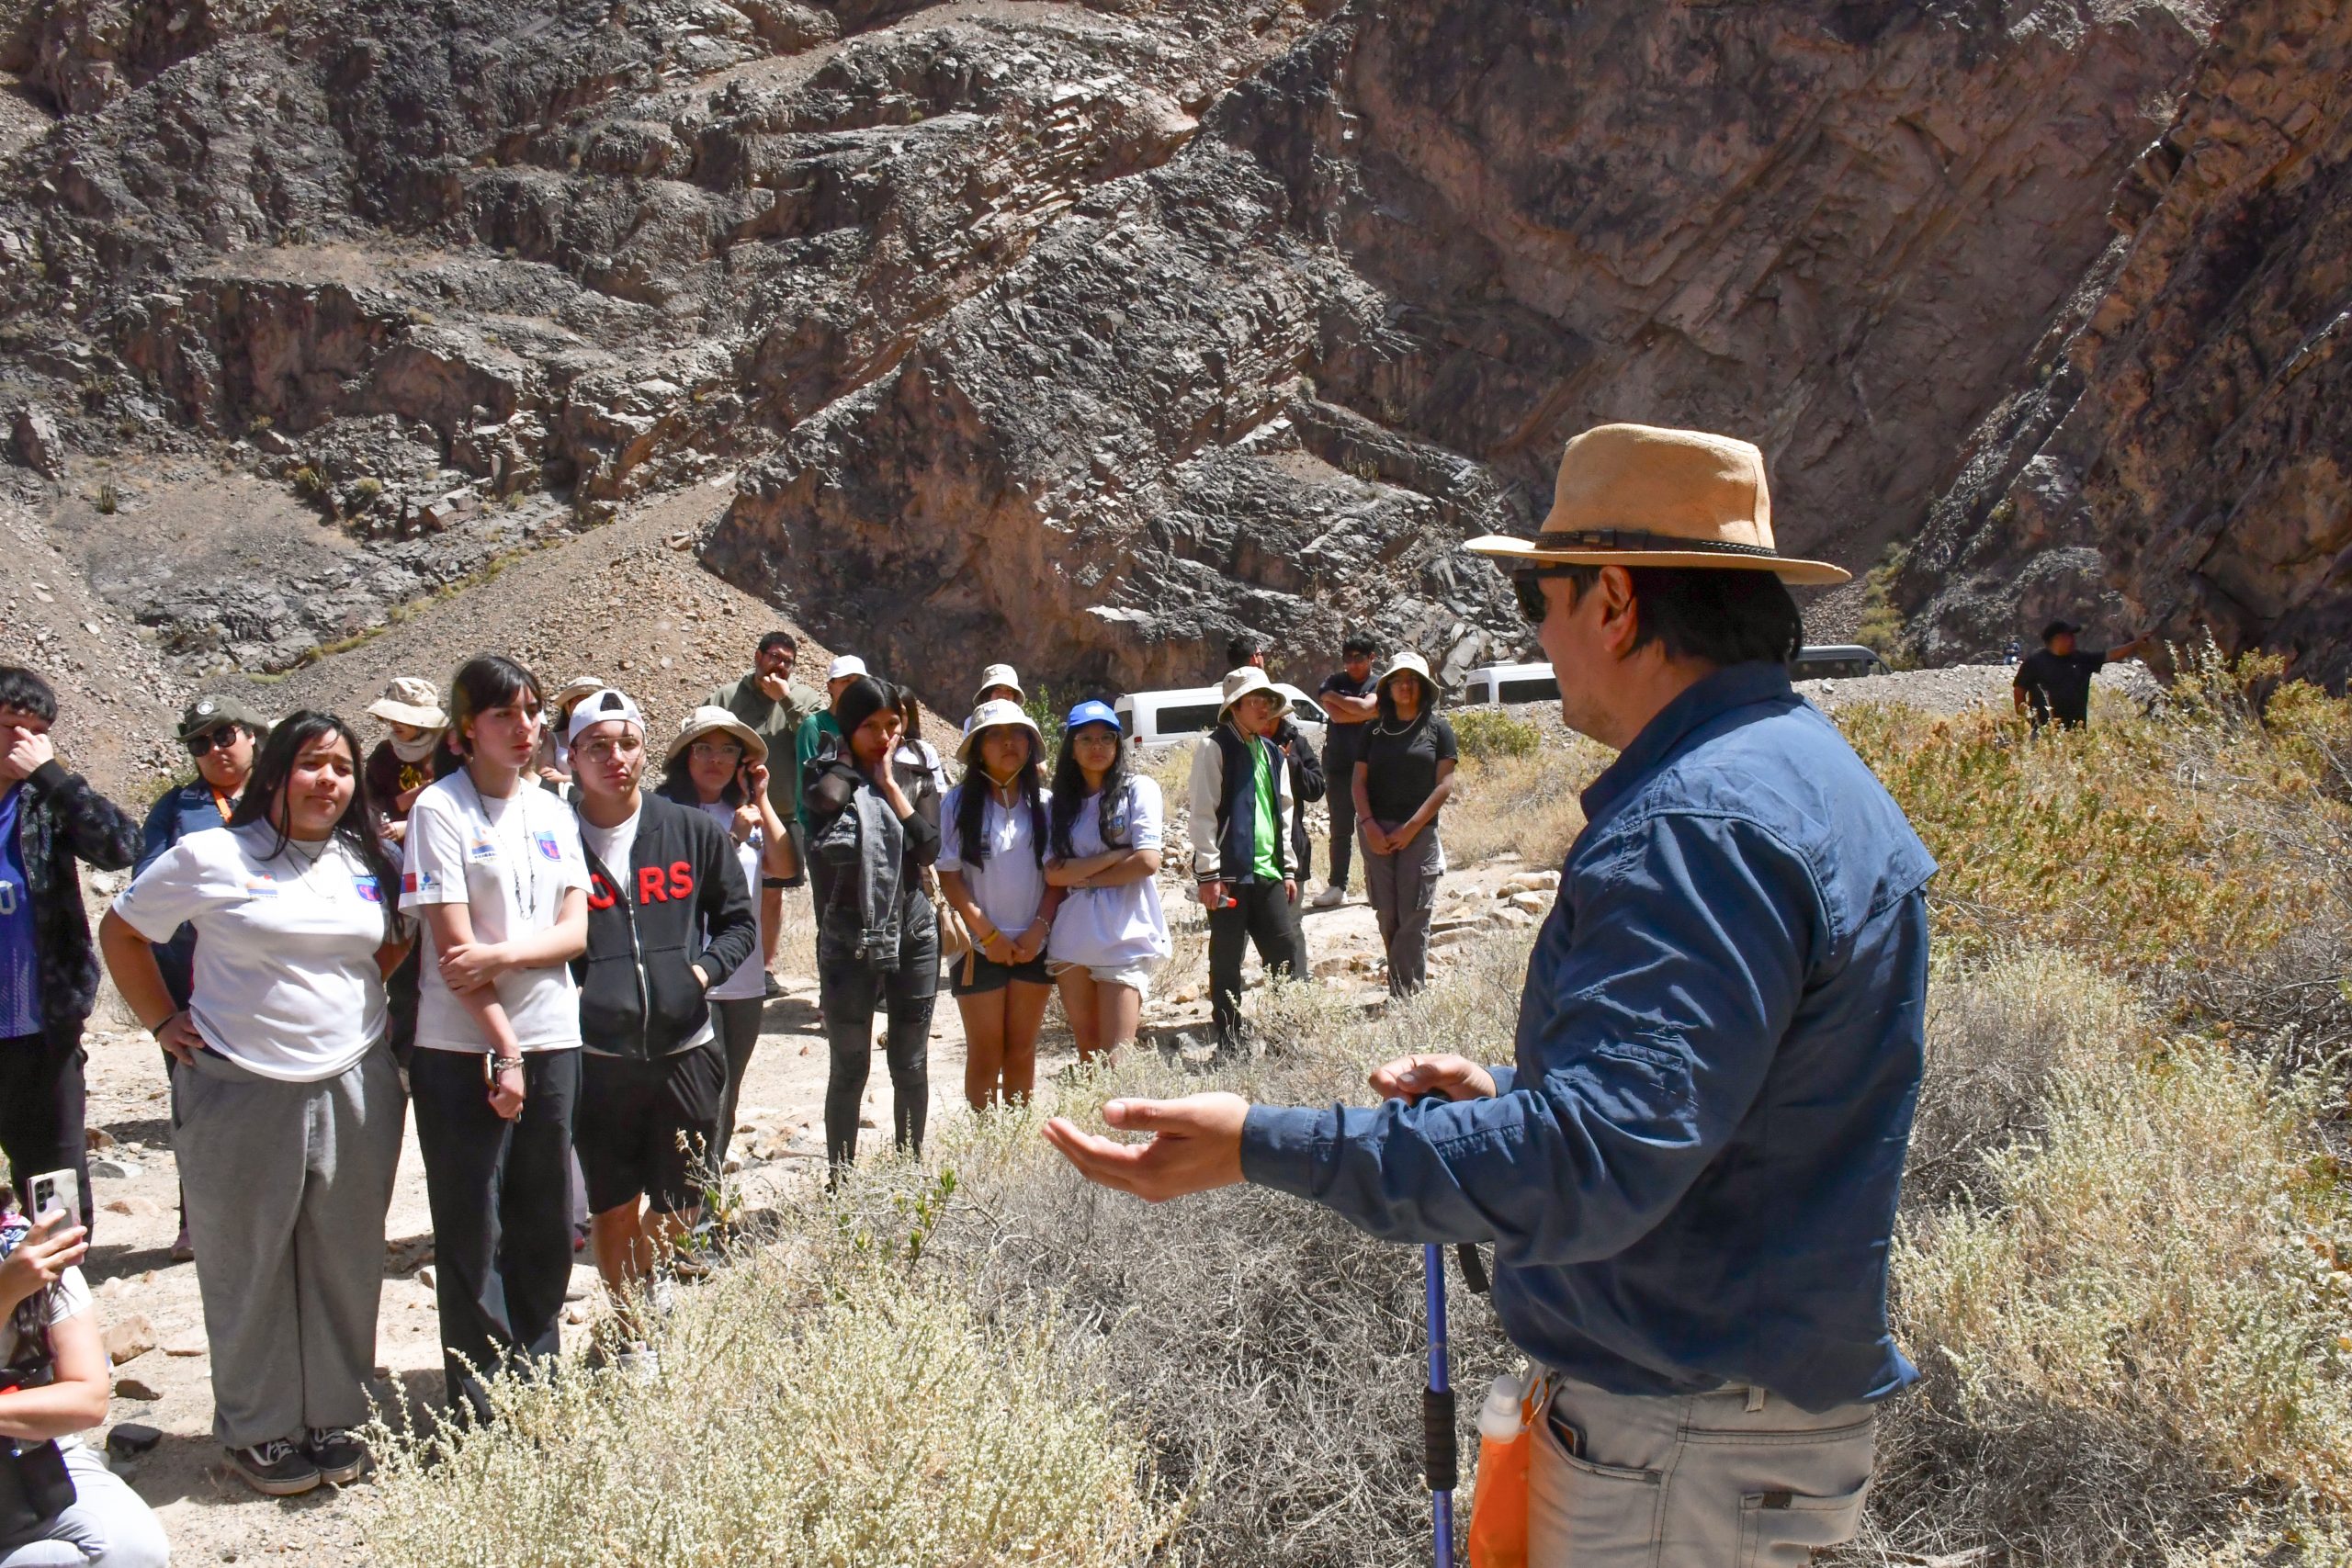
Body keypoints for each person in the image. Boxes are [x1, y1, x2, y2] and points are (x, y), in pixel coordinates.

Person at [1044, 422, 1935, 1566]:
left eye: (1538, 599)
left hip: (1677, 1449)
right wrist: (1514, 1094)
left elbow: (1594, 1161)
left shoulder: (1696, 828)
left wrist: (1257, 1144)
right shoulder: (1801, 774)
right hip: (1732, 1431)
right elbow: (1720, 1112)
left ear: (1613, 602)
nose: (1541, 633)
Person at [101, 712, 407, 1496]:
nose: (329, 781)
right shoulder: (208, 854)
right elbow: (124, 931)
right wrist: (163, 1020)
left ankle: (337, 1415)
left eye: (341, 767)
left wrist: (359, 998)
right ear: (275, 771)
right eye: (311, 764)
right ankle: (260, 1429)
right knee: (248, 1261)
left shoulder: (361, 859)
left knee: (346, 1255)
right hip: (239, 1085)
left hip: (355, 1079)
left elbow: (391, 939)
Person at [400, 656, 590, 1420]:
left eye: (534, 712)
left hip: (554, 1037)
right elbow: (452, 955)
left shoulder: (552, 811)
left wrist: (505, 955)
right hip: (463, 1049)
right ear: (464, 731)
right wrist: (503, 1049)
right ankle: (478, 1405)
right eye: (504, 715)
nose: (525, 728)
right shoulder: (438, 812)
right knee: (474, 1226)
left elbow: (574, 931)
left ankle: (537, 1381)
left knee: (545, 1218)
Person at [564, 691, 756, 1365]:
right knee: (613, 1205)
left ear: (644, 749)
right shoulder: (554, 838)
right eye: (597, 746)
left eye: (627, 743)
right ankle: (628, 1333)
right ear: (572, 756)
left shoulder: (690, 831)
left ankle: (640, 1292)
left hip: (686, 1047)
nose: (615, 758)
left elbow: (738, 921)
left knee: (683, 1201)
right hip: (598, 1056)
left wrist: (699, 975)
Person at [0, 668, 139, 1239]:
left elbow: (122, 847)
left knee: (53, 1175)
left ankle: (62, 1298)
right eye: (11, 728)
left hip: (44, 1029)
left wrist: (55, 777)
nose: (24, 744)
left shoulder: (44, 802)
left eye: (38, 732)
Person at [135, 693, 266, 1263]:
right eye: (199, 743)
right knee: (198, 1103)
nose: (214, 750)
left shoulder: (287, 796)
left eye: (224, 735)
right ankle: (199, 1220)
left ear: (252, 736)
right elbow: (142, 894)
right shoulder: (173, 809)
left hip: (273, 984)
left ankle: (272, 1217)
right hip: (195, 988)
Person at [803, 677, 940, 1175]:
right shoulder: (824, 776)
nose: (884, 737)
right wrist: (850, 762)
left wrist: (887, 785)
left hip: (914, 932)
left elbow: (929, 848)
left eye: (892, 725)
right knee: (849, 1067)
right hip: (846, 937)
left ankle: (908, 1175)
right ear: (846, 728)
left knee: (909, 1063)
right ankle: (841, 1182)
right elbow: (824, 807)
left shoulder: (915, 775)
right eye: (869, 727)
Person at [655, 708, 797, 1165]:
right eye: (704, 748)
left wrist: (764, 800)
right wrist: (732, 840)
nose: (716, 759)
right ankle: (684, 1211)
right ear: (685, 755)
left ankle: (706, 1202)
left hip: (745, 979)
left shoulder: (746, 813)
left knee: (727, 1097)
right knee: (698, 1100)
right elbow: (685, 890)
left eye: (728, 749)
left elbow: (785, 868)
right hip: (693, 974)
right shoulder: (666, 814)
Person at [0, 1194, 170, 1566]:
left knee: (131, 1551)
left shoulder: (31, 1254)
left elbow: (87, 1400)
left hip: (34, 1455)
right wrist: (4, 1296)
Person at [936, 700, 1058, 1110]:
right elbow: (949, 876)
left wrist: (1038, 930)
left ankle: (1016, 1140)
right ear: (977, 748)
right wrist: (987, 933)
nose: (1009, 743)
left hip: (1033, 943)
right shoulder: (956, 804)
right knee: (986, 1051)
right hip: (976, 948)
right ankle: (988, 1143)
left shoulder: (1046, 804)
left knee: (1022, 1050)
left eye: (1018, 734)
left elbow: (1057, 877)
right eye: (995, 735)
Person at [1044, 701, 1168, 1063]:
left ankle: (1121, 1120)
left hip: (1123, 936)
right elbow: (1053, 873)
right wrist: (1115, 856)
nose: (1096, 747)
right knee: (1088, 1055)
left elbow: (1147, 861)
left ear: (1118, 744)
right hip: (1072, 939)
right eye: (1086, 739)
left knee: (1118, 1059)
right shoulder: (1058, 805)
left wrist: (1083, 876)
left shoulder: (1138, 789)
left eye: (1106, 738)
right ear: (1071, 746)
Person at [1186, 670, 1302, 1053]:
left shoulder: (1272, 753)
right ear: (1234, 707)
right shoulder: (1213, 747)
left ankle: (1286, 1038)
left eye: (1268, 702)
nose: (1264, 708)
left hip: (1268, 872)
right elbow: (1203, 812)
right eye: (1256, 700)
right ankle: (1230, 1041)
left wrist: (1288, 867)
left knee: (1284, 954)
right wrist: (1208, 873)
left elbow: (1282, 813)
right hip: (1230, 875)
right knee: (1226, 961)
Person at [706, 634, 820, 985]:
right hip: (730, 806)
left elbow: (818, 741)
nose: (780, 665)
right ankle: (719, 958)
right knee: (725, 886)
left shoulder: (803, 698)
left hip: (784, 811)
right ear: (758, 656)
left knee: (772, 894)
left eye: (788, 661)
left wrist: (785, 703)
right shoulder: (728, 697)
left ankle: (766, 967)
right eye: (774, 657)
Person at [1352, 651, 1457, 998]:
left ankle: (1407, 995)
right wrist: (1368, 824)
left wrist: (1411, 827)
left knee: (1415, 913)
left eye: (1413, 680)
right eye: (1399, 680)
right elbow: (1358, 782)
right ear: (1388, 687)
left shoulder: (1438, 729)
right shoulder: (1373, 730)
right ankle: (1401, 988)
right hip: (1375, 832)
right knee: (1388, 914)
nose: (1406, 686)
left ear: (1424, 687)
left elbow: (1444, 785)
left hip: (1419, 832)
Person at [1310, 634, 1379, 908]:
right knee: (1340, 828)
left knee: (1372, 824)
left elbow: (1368, 707)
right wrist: (1360, 712)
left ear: (1372, 657)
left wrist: (1339, 701)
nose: (1352, 665)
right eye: (1347, 659)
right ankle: (1337, 885)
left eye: (1358, 658)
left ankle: (1377, 884)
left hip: (1373, 766)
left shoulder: (1380, 684)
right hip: (1338, 766)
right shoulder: (1334, 681)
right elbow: (1337, 716)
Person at [2012, 620, 2153, 731]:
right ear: (2057, 639)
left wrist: (2136, 644)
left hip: (2076, 732)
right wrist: (2023, 721)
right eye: (2069, 636)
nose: (2073, 640)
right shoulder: (2035, 662)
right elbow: (2019, 691)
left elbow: (2110, 655)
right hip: (2043, 732)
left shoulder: (2081, 659)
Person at [361, 678, 447, 846]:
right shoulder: (384, 755)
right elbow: (370, 806)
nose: (394, 723)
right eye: (391, 717)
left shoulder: (450, 749)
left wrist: (410, 826)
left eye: (401, 717)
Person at [532, 677, 604, 787]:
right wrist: (592, 781)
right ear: (568, 707)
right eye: (580, 702)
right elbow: (546, 775)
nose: (587, 707)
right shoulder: (552, 740)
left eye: (594, 701)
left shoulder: (612, 739)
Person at [892, 689, 954, 802]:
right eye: (892, 711)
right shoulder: (873, 748)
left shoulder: (925, 751)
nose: (896, 718)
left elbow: (939, 795)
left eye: (902, 712)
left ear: (910, 716)